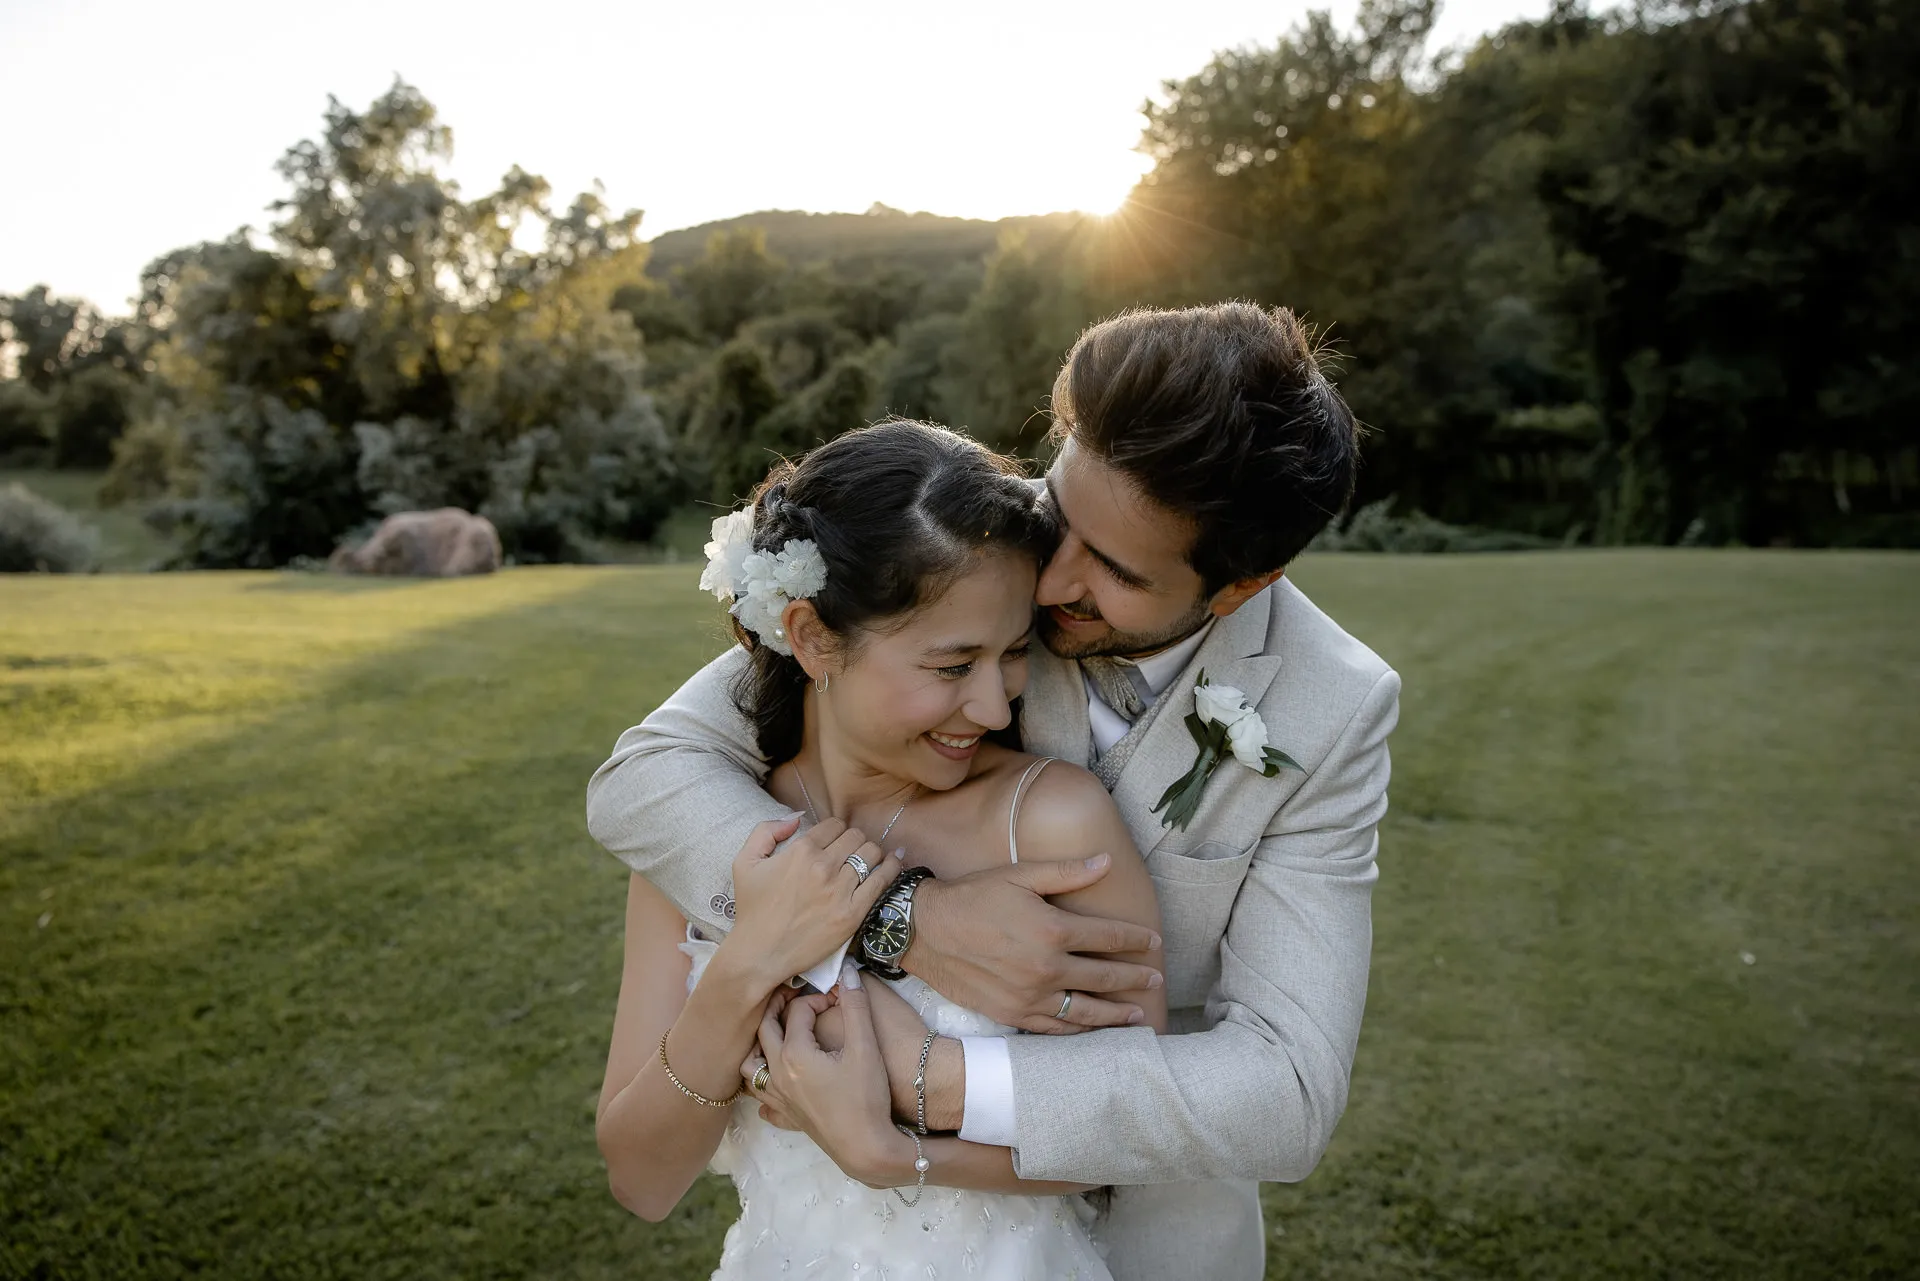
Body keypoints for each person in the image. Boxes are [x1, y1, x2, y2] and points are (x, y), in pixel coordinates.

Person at [590, 302, 1401, 1281]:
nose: (1051, 578)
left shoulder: (1331, 709)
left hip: (1141, 1236)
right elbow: (648, 776)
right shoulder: (963, 564)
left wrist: (925, 1091)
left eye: (1113, 570)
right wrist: (897, 917)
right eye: (1065, 507)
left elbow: (1287, 1092)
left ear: (1241, 586)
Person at [595, 419, 1166, 1278]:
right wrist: (750, 964)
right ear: (816, 637)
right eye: (950, 665)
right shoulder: (708, 840)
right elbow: (641, 1180)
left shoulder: (1052, 824)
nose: (994, 707)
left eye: (1013, 654)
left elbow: (1130, 1136)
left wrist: (895, 1155)